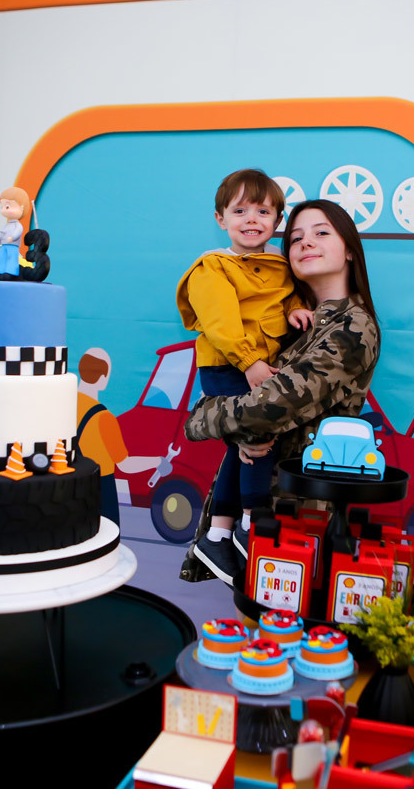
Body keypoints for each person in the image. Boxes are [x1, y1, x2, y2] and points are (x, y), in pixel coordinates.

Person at [182, 199, 380, 585]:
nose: (306, 242)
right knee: (252, 621)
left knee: (285, 620)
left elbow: (266, 410)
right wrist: (239, 429)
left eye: (321, 233)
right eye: (296, 238)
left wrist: (202, 415)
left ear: (350, 251)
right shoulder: (290, 322)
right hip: (253, 513)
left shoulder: (351, 328)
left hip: (292, 518)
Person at [176, 169, 313, 581]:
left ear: (277, 221)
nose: (252, 219)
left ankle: (218, 533)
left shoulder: (279, 266)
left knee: (244, 449)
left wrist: (295, 308)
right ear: (221, 219)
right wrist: (249, 361)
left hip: (260, 368)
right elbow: (221, 324)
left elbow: (286, 297)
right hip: (229, 367)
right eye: (240, 211)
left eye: (263, 211)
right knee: (258, 438)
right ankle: (251, 522)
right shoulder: (213, 267)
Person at [76, 347, 164, 525]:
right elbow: (125, 465)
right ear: (103, 378)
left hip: (71, 485)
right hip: (100, 489)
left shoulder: (65, 405)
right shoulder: (104, 418)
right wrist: (158, 462)